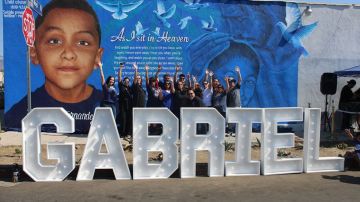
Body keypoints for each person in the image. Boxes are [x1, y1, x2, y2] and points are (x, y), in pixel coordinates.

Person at [5, 0, 103, 133]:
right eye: (54, 41)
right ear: (34, 53)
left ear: (97, 56)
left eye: (82, 42)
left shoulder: (107, 105)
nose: (68, 54)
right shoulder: (17, 115)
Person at [117, 63, 132, 138]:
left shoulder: (130, 88)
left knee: (129, 119)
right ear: (123, 81)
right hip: (122, 105)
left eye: (128, 81)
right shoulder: (121, 86)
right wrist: (120, 68)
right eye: (125, 81)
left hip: (129, 106)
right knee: (123, 119)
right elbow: (119, 77)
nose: (127, 82)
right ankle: (122, 133)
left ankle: (127, 133)